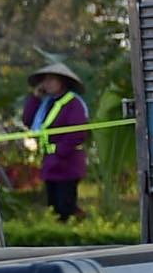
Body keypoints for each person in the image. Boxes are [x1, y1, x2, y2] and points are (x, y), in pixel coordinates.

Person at [18, 60, 96, 223]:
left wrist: (60, 152)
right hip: (50, 162)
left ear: (62, 82)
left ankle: (79, 229)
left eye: (52, 80)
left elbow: (77, 133)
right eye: (45, 80)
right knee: (53, 207)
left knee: (65, 206)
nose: (48, 84)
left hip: (67, 162)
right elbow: (28, 120)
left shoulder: (73, 103)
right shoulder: (46, 103)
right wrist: (35, 97)